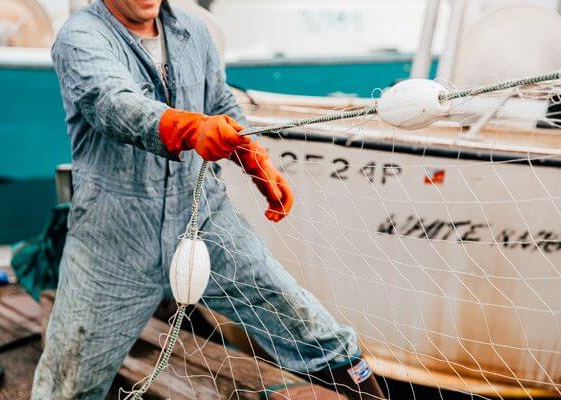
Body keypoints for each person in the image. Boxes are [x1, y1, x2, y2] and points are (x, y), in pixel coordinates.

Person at [31, 1, 386, 399]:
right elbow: (112, 103)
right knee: (66, 384)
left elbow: (220, 102)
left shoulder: (194, 32)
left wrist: (258, 164)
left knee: (316, 332)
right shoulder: (80, 36)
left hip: (204, 221)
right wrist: (190, 127)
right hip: (111, 239)